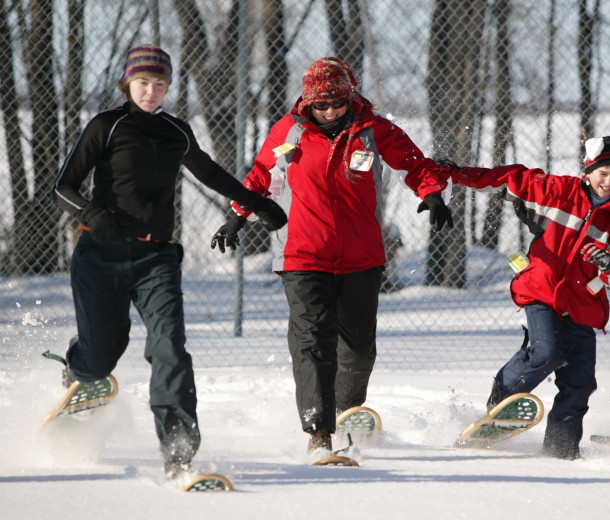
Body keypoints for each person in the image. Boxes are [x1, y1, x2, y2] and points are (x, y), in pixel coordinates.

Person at [53, 44, 287, 478]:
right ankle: (78, 366)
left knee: (170, 349)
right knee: (101, 357)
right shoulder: (106, 125)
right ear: (127, 83)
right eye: (143, 82)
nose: (151, 91)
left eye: (160, 84)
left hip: (156, 256)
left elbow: (211, 173)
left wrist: (256, 204)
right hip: (100, 255)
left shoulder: (176, 132)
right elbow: (63, 186)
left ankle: (178, 447)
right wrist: (90, 213)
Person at [210, 57, 453, 454]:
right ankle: (318, 434)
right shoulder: (289, 130)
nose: (329, 112)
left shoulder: (373, 130)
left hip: (361, 257)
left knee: (357, 351)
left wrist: (430, 192)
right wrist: (238, 216)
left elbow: (414, 163)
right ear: (308, 103)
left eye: (337, 104)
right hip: (302, 255)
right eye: (321, 106)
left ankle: (346, 413)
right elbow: (259, 176)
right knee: (312, 342)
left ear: (350, 97)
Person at [450, 136, 610, 459]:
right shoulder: (560, 191)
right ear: (588, 170)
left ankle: (560, 450)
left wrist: (608, 264)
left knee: (579, 382)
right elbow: (511, 179)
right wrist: (456, 174)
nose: (608, 183)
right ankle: (502, 397)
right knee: (547, 351)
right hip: (542, 291)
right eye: (602, 174)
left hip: (582, 306)